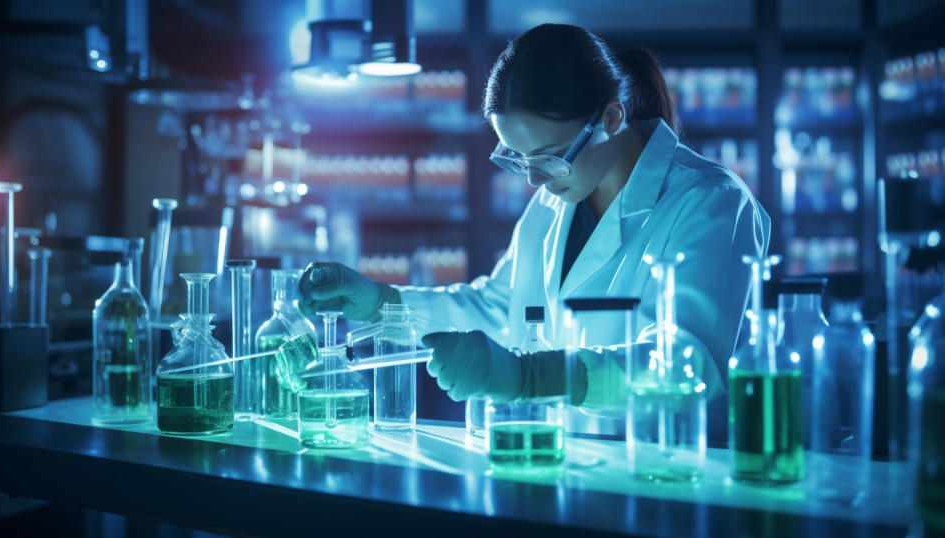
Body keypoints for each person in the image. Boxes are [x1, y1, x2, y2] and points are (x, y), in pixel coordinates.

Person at [299, 24, 769, 427]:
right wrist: (385, 304)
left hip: (662, 477)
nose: (533, 179)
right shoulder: (556, 196)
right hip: (557, 465)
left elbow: (688, 365)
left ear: (610, 117)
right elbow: (502, 307)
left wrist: (533, 378)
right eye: (517, 159)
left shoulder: (709, 201)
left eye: (547, 157)